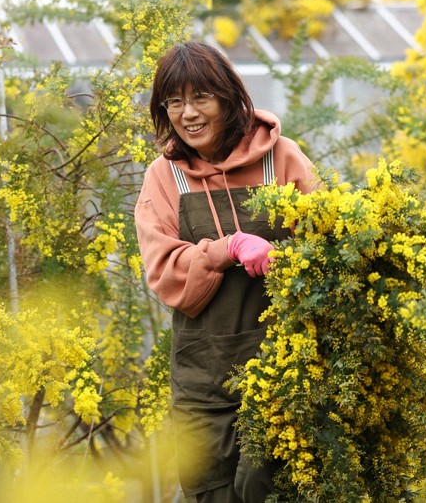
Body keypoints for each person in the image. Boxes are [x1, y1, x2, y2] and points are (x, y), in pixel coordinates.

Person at [134, 41, 317, 502]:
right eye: (174, 102)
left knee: (269, 487)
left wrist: (286, 255)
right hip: (204, 381)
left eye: (201, 98)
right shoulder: (164, 175)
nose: (187, 113)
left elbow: (330, 249)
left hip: (282, 366)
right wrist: (226, 249)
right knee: (210, 491)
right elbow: (165, 276)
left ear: (228, 96)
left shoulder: (282, 159)